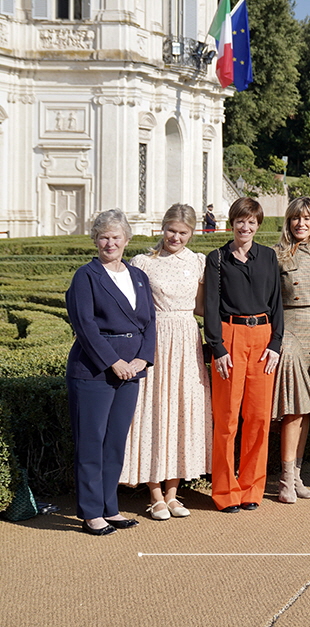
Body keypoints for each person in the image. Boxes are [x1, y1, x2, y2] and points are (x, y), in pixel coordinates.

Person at [66, 209, 156, 535]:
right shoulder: (85, 276)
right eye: (104, 236)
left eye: (116, 237)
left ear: (127, 240)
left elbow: (149, 324)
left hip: (131, 371)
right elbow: (85, 326)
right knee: (91, 442)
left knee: (115, 442)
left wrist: (143, 360)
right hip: (93, 371)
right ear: (95, 240)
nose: (110, 242)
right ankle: (91, 514)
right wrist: (112, 362)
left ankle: (110, 507)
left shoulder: (139, 277)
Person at [121, 204, 211, 520]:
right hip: (155, 340)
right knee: (153, 411)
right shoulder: (143, 263)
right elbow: (131, 309)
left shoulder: (198, 263)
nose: (176, 237)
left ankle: (174, 493)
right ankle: (155, 494)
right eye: (172, 230)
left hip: (187, 341)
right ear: (163, 228)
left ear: (192, 233)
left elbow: (202, 308)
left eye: (183, 232)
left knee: (182, 411)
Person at [203, 197, 282, 513]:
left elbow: (277, 302)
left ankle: (252, 488)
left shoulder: (268, 257)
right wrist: (217, 347)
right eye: (240, 221)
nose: (245, 227)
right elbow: (210, 305)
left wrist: (275, 344)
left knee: (260, 418)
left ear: (257, 225)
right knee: (226, 419)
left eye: (251, 222)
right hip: (230, 337)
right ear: (231, 223)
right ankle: (224, 491)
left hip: (262, 337)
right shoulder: (217, 258)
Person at [272, 197, 310, 503]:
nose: (301, 224)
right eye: (296, 218)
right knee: (293, 411)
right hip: (291, 335)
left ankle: (296, 475)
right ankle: (285, 480)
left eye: (307, 219)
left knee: (307, 412)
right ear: (289, 221)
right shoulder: (276, 256)